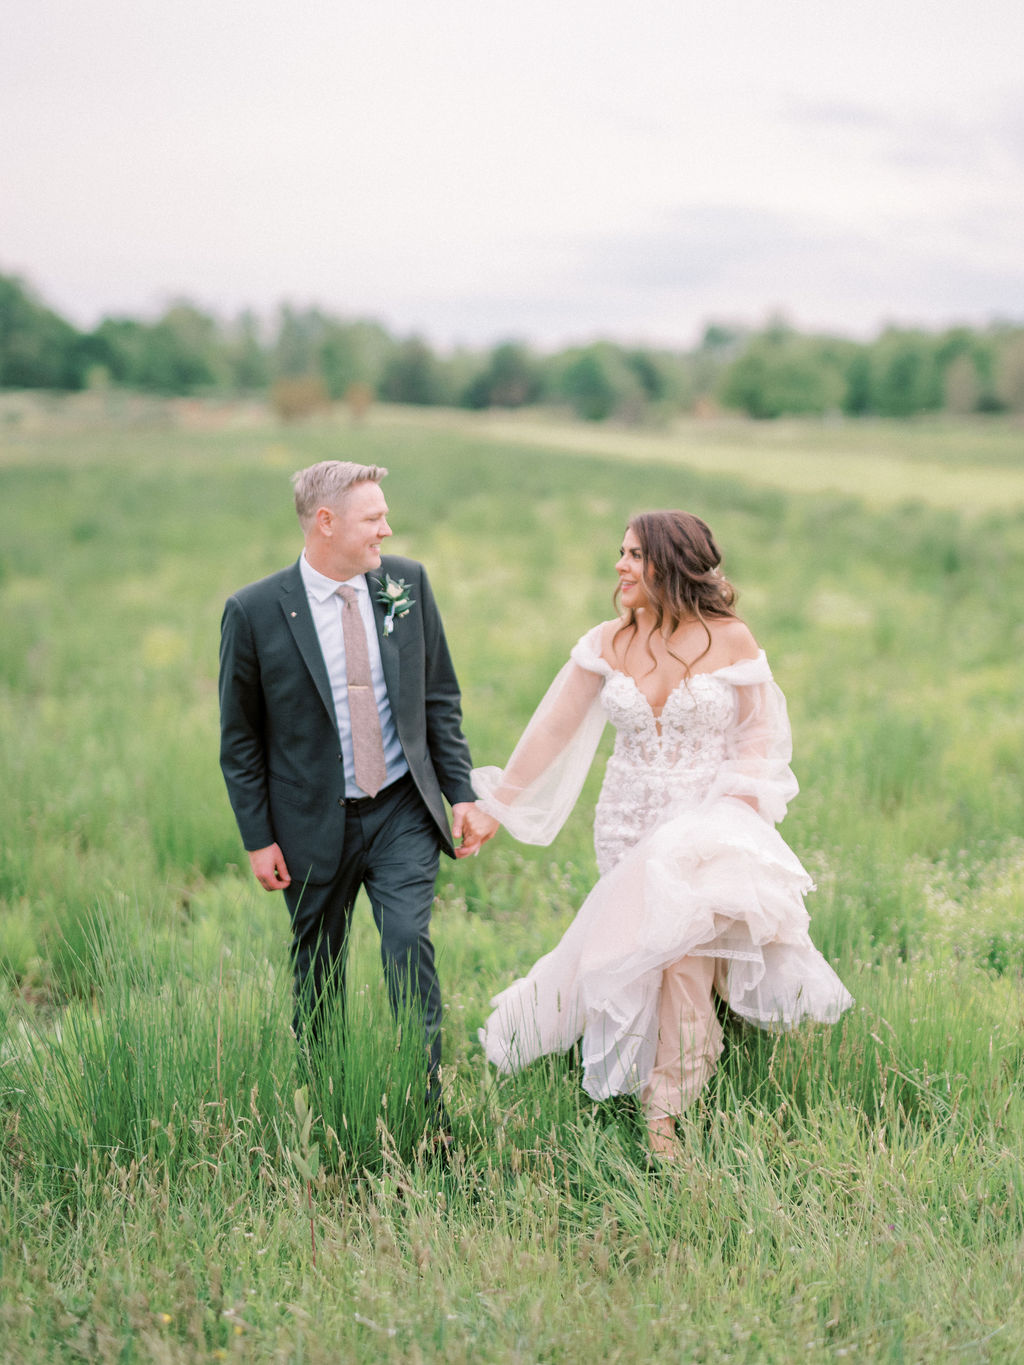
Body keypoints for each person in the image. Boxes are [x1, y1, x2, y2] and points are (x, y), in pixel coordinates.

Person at [471, 510, 852, 1157]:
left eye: (633, 555)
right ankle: (637, 1068)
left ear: (670, 565)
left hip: (706, 822)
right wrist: (497, 805)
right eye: (619, 552)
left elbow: (759, 740)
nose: (619, 565)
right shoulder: (608, 642)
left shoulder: (730, 639)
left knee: (683, 960)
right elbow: (552, 730)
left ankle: (663, 1117)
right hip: (626, 822)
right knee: (637, 954)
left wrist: (730, 813)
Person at [218, 460, 491, 1122]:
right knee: (318, 969)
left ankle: (424, 1114)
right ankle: (329, 1112)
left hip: (400, 805)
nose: (387, 529)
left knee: (407, 940)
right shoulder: (254, 612)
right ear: (326, 522)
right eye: (373, 519)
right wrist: (258, 838)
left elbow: (438, 698)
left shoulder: (406, 583)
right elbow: (241, 740)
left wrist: (462, 792)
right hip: (311, 820)